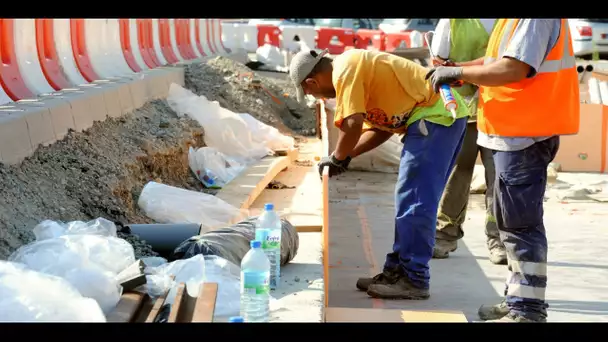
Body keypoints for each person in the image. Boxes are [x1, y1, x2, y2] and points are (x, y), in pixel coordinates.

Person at [426, 19, 579, 322]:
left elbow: (513, 69)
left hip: (526, 133)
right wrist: (460, 70)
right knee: (511, 224)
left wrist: (457, 72)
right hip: (513, 132)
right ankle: (517, 297)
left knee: (521, 227)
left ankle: (527, 310)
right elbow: (494, 62)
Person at [289, 48, 470, 300]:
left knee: (415, 201)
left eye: (309, 91)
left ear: (311, 81)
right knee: (409, 201)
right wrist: (348, 157)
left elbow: (352, 124)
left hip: (435, 117)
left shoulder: (346, 68)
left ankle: (414, 279)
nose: (314, 96)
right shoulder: (354, 70)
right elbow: (382, 128)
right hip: (434, 119)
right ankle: (396, 271)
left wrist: (337, 157)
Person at [429, 19, 508, 264]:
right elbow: (439, 65)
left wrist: (459, 68)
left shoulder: (509, 22)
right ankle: (444, 235)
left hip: (500, 111)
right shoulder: (452, 22)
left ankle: (499, 241)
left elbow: (507, 65)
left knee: (498, 176)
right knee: (457, 173)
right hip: (461, 111)